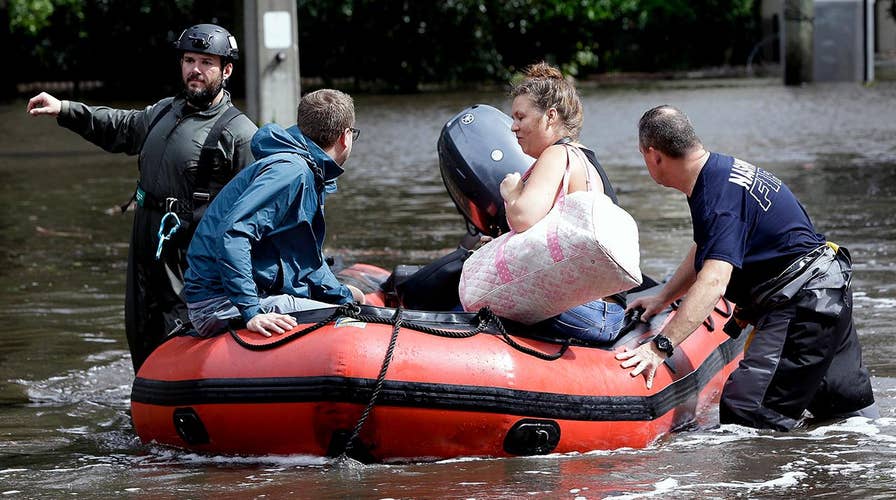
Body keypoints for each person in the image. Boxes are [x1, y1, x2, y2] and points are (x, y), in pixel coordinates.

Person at [616, 104, 877, 430]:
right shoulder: (720, 172)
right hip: (828, 292)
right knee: (846, 415)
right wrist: (664, 297)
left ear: (653, 155)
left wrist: (660, 347)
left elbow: (713, 283)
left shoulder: (715, 195)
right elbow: (707, 248)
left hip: (802, 306)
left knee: (747, 411)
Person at [25, 24, 257, 371]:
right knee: (139, 325)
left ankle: (185, 401)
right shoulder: (165, 110)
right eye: (189, 60)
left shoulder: (240, 133)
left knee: (178, 328)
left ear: (226, 70)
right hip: (145, 238)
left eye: (206, 62)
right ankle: (144, 405)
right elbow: (119, 126)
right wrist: (65, 109)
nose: (194, 70)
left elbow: (255, 211)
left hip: (189, 249)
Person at [182, 89, 365, 338]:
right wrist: (252, 311)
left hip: (243, 295)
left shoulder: (307, 170)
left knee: (352, 306)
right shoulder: (291, 172)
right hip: (219, 304)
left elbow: (305, 260)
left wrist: (342, 293)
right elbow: (234, 234)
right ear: (345, 137)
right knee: (353, 327)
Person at [498, 62, 627, 342]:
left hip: (588, 313)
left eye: (521, 117)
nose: (513, 126)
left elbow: (522, 217)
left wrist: (512, 191)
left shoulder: (557, 155)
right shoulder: (584, 156)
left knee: (471, 302)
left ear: (550, 116)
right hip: (607, 312)